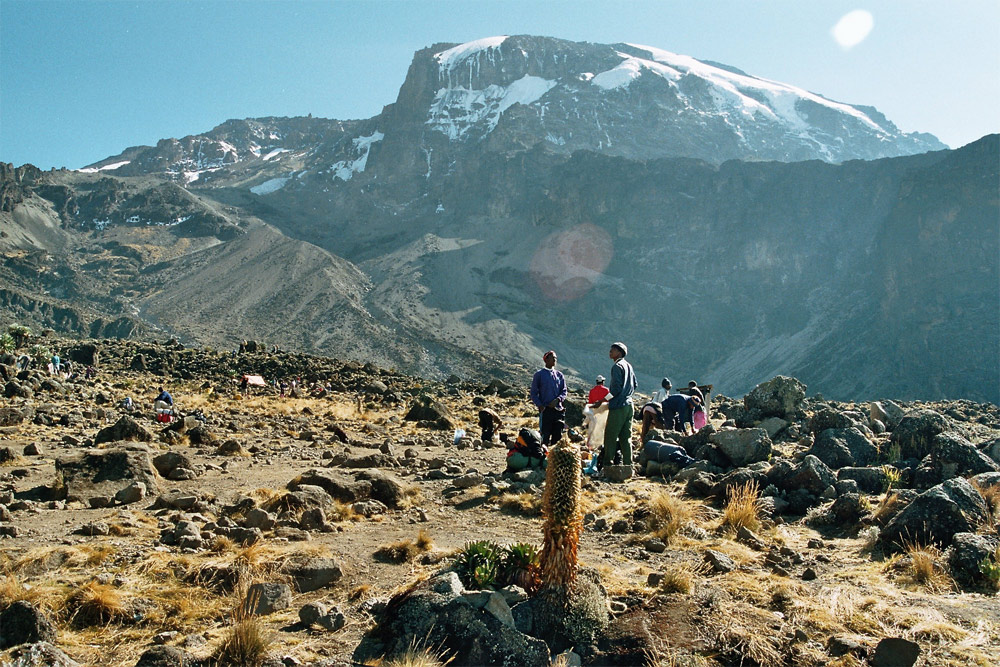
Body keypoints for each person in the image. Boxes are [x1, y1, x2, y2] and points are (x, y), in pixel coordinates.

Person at [593, 342, 637, 472]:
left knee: (610, 436)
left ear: (619, 352)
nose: (610, 352)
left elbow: (616, 389)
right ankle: (629, 466)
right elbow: (635, 384)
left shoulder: (617, 367)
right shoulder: (629, 366)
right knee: (626, 437)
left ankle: (607, 466)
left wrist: (602, 401)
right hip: (629, 405)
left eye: (612, 350)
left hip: (618, 406)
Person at [530, 350, 567, 446]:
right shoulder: (539, 375)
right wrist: (540, 405)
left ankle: (554, 458)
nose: (555, 359)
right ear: (546, 360)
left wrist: (558, 400)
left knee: (557, 437)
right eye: (552, 357)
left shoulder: (559, 375)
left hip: (558, 411)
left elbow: (564, 391)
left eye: (556, 358)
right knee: (545, 436)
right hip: (546, 410)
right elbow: (533, 393)